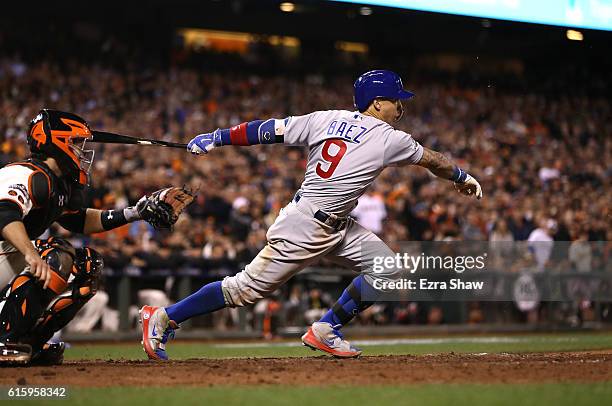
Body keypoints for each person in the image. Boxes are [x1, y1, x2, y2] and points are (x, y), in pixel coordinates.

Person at [139, 70, 483, 360]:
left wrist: (219, 137)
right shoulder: (390, 138)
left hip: (335, 224)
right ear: (377, 103)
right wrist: (462, 177)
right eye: (396, 100)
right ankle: (165, 317)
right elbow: (435, 160)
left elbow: (266, 130)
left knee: (387, 268)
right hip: (305, 227)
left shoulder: (324, 118)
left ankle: (325, 329)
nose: (401, 107)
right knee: (242, 290)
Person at [0, 109, 184, 365]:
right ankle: (4, 339)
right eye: (76, 142)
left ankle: (29, 341)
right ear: (57, 140)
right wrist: (32, 255)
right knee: (56, 255)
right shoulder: (25, 173)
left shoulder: (57, 182)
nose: (81, 150)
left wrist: (134, 212)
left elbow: (80, 220)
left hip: (4, 254)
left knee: (88, 264)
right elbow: (5, 214)